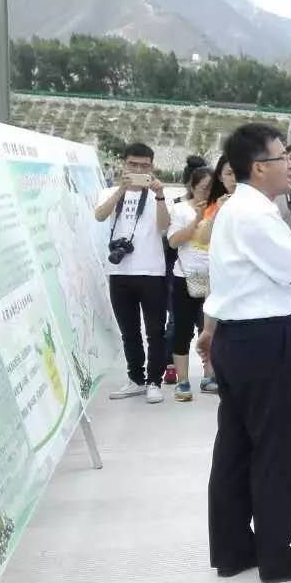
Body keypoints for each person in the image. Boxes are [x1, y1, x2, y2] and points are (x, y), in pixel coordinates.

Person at [198, 122, 291, 583]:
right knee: (274, 448)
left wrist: (211, 328)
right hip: (264, 341)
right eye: (282, 158)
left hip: (238, 339)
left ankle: (234, 548)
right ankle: (276, 553)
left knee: (235, 447)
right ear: (260, 167)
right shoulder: (255, 214)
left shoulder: (236, 208)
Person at [94, 142, 172, 403]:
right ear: (124, 165)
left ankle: (154, 382)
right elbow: (99, 216)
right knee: (129, 331)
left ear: (152, 167)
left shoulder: (159, 195)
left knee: (154, 331)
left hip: (152, 272)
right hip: (119, 272)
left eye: (144, 166)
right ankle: (136, 379)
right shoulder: (109, 192)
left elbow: (164, 227)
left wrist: (160, 196)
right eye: (133, 165)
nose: (138, 169)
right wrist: (121, 191)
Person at [165, 166, 214, 402]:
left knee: (211, 329)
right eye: (203, 187)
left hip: (215, 278)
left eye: (211, 188)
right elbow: (174, 242)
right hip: (185, 277)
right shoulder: (181, 209)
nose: (207, 192)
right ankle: (183, 381)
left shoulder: (221, 208)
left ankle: (210, 375)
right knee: (182, 329)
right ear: (192, 186)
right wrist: (196, 219)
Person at [194, 154, 237, 395]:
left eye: (237, 173)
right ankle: (213, 372)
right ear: (220, 176)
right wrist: (219, 210)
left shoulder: (259, 204)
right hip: (220, 278)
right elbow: (201, 237)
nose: (234, 179)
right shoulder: (216, 204)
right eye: (229, 173)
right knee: (215, 327)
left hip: (245, 281)